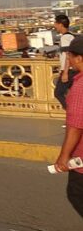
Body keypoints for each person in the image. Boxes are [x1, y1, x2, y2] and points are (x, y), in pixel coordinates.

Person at [53, 35, 83, 218]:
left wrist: (64, 157)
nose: (69, 59)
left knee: (76, 194)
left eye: (70, 55)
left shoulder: (80, 87)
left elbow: (76, 126)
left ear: (79, 58)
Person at [55, 15, 77, 110]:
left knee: (58, 93)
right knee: (73, 95)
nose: (54, 25)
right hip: (74, 70)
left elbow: (68, 55)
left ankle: (72, 115)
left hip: (69, 71)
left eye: (56, 23)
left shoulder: (65, 38)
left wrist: (65, 72)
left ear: (60, 24)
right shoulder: (71, 36)